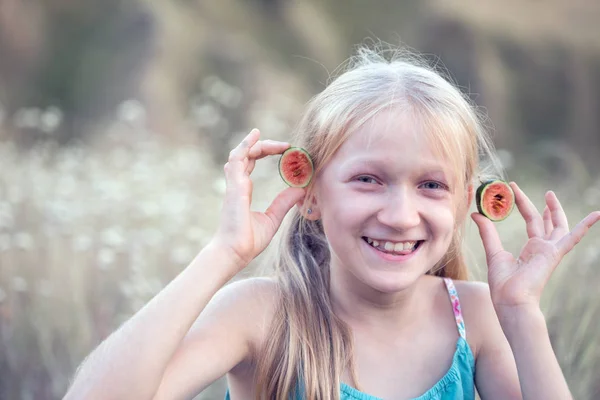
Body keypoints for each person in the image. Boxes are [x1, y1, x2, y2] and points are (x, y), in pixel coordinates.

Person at [65, 45, 600, 400]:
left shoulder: (478, 318)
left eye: (431, 186)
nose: (399, 214)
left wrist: (522, 316)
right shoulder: (263, 315)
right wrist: (223, 255)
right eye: (368, 179)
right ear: (311, 194)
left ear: (464, 203)